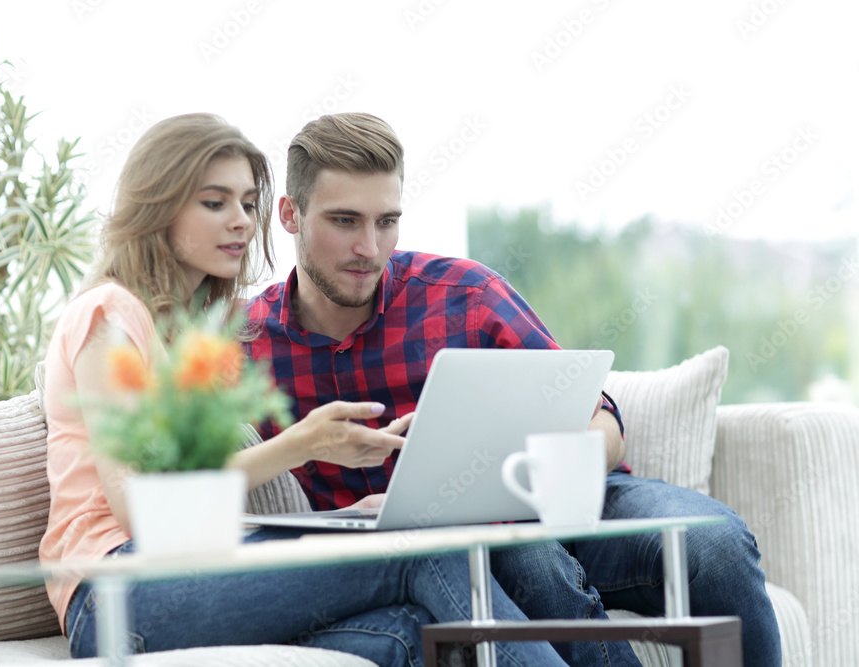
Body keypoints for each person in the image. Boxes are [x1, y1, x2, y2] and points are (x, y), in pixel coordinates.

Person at [243, 112, 782, 667]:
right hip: (452, 547)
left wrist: (566, 464)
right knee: (525, 560)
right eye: (345, 221)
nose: (369, 248)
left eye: (387, 221)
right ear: (290, 214)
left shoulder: (464, 294)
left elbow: (602, 417)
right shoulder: (246, 348)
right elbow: (192, 476)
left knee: (714, 541)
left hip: (578, 505)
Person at [38, 112, 572, 666]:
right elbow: (143, 508)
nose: (241, 222)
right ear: (159, 207)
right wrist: (304, 443)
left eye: (248, 203)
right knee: (425, 548)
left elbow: (202, 503)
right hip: (115, 595)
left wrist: (339, 524)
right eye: (214, 203)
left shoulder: (192, 335)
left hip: (184, 572)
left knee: (416, 631)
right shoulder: (110, 314)